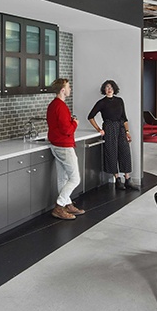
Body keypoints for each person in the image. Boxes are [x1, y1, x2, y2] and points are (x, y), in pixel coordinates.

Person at [87, 79, 137, 190]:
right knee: (111, 152)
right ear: (104, 90)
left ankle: (128, 179)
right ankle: (117, 179)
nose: (109, 89)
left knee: (125, 151)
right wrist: (99, 129)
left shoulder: (120, 101)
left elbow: (124, 118)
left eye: (111, 87)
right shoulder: (102, 102)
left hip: (121, 127)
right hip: (109, 127)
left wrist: (127, 132)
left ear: (114, 89)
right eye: (107, 87)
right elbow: (90, 116)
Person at [46, 78, 85, 220]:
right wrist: (74, 123)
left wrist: (70, 122)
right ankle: (59, 206)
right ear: (62, 90)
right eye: (68, 87)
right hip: (64, 146)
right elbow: (67, 130)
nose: (69, 89)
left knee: (63, 178)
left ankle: (67, 204)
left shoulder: (52, 105)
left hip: (56, 145)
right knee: (75, 179)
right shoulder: (61, 106)